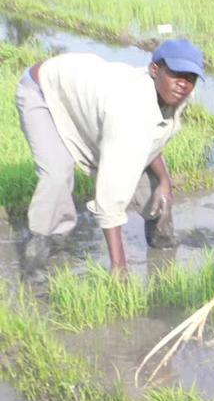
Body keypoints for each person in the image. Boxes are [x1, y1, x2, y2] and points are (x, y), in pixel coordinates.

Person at [16, 39, 204, 276]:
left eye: (191, 77)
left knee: (155, 184)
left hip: (86, 96)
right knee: (57, 175)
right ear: (154, 69)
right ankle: (42, 249)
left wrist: (165, 183)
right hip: (43, 92)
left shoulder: (176, 93)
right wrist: (119, 266)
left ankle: (162, 241)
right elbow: (109, 197)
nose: (183, 84)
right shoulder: (128, 108)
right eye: (176, 74)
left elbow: (151, 138)